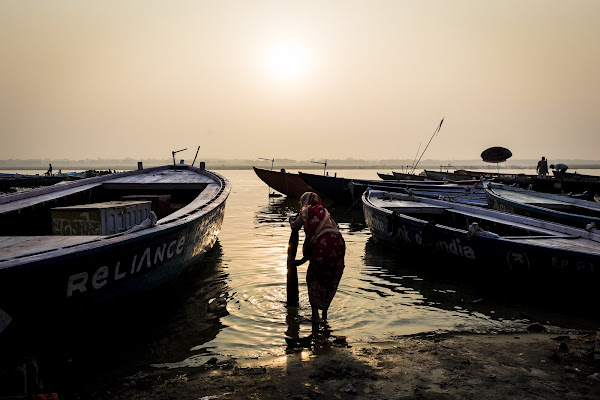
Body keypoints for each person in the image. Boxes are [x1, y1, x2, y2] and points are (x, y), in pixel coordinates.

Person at [289, 192, 345, 322]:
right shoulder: (324, 213)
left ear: (304, 202)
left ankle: (315, 316)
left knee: (314, 277)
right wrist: (302, 261)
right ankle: (324, 314)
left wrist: (292, 220)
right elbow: (318, 240)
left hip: (323, 245)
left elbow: (295, 226)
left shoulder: (307, 211)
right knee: (329, 277)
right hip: (339, 244)